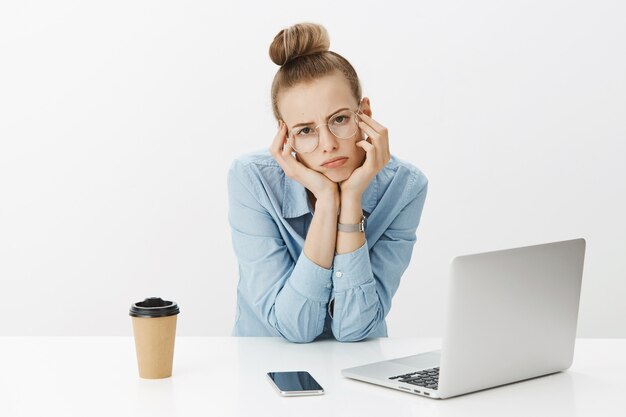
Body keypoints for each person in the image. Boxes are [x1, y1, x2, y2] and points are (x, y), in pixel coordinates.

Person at [227, 22, 428, 343]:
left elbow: (355, 328)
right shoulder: (252, 179)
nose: (328, 144)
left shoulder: (405, 186)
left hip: (356, 370)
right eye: (306, 130)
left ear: (365, 113)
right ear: (286, 135)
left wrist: (350, 202)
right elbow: (294, 328)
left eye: (340, 119)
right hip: (262, 366)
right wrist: (327, 201)